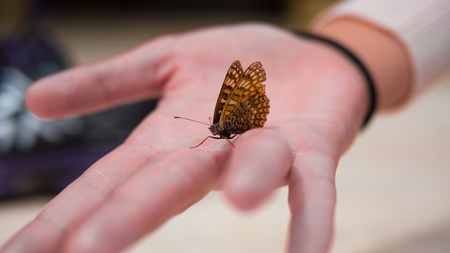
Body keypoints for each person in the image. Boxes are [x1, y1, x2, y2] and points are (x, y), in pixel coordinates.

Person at [1, 0, 449, 252]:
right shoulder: (221, 127)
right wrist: (355, 52)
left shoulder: (228, 120)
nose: (211, 133)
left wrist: (350, 59)